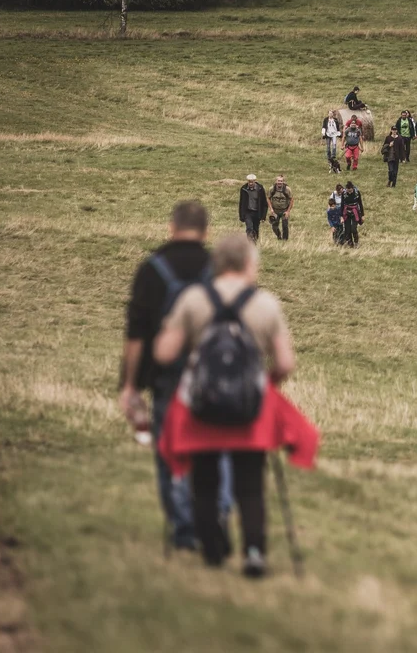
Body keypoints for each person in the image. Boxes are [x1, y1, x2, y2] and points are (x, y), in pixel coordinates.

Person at [153, 233, 298, 577]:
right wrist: (266, 380)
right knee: (249, 483)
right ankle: (253, 552)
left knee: (203, 480)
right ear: (250, 264)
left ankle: (212, 548)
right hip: (249, 407)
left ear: (216, 264)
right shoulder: (265, 304)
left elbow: (163, 354)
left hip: (202, 405)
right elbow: (286, 363)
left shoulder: (193, 299)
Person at [119, 201, 225, 553]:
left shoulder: (151, 270)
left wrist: (130, 385)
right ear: (206, 232)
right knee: (213, 448)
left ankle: (183, 530)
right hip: (213, 375)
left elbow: (136, 334)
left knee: (170, 451)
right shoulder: (219, 270)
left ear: (171, 227)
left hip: (167, 376)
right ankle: (216, 515)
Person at [238, 174, 268, 242]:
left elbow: (264, 203)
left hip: (257, 212)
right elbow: (241, 203)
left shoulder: (260, 189)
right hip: (248, 212)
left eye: (252, 182)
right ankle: (250, 242)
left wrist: (263, 216)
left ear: (255, 181)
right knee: (249, 228)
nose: (250, 183)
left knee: (255, 229)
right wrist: (241, 215)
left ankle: (254, 242)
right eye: (249, 182)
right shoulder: (243, 189)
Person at [266, 176, 293, 242]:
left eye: (281, 181)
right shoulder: (272, 189)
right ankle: (279, 236)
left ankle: (285, 240)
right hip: (275, 211)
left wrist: (288, 211)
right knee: (274, 226)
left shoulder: (287, 189)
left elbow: (291, 200)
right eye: (278, 181)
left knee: (285, 226)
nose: (279, 182)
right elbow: (268, 198)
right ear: (276, 181)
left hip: (284, 210)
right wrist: (271, 209)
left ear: (283, 182)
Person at [339, 181, 364, 248]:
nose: (349, 192)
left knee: (353, 229)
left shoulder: (357, 193)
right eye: (348, 191)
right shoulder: (343, 194)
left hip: (355, 212)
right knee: (347, 229)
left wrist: (362, 215)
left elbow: (360, 203)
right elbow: (342, 205)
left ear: (352, 188)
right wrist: (341, 216)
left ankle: (356, 242)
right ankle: (350, 244)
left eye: (350, 191)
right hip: (346, 213)